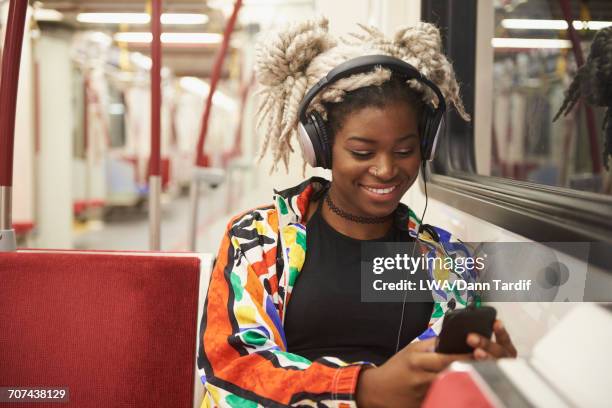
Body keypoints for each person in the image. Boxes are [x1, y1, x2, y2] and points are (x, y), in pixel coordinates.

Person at [197, 18, 516, 407]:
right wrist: (361, 390)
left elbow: (447, 381)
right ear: (322, 147)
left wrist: (488, 373)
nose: (385, 170)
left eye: (404, 151)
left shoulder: (448, 262)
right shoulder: (255, 240)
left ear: (426, 145)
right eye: (362, 152)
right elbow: (234, 368)